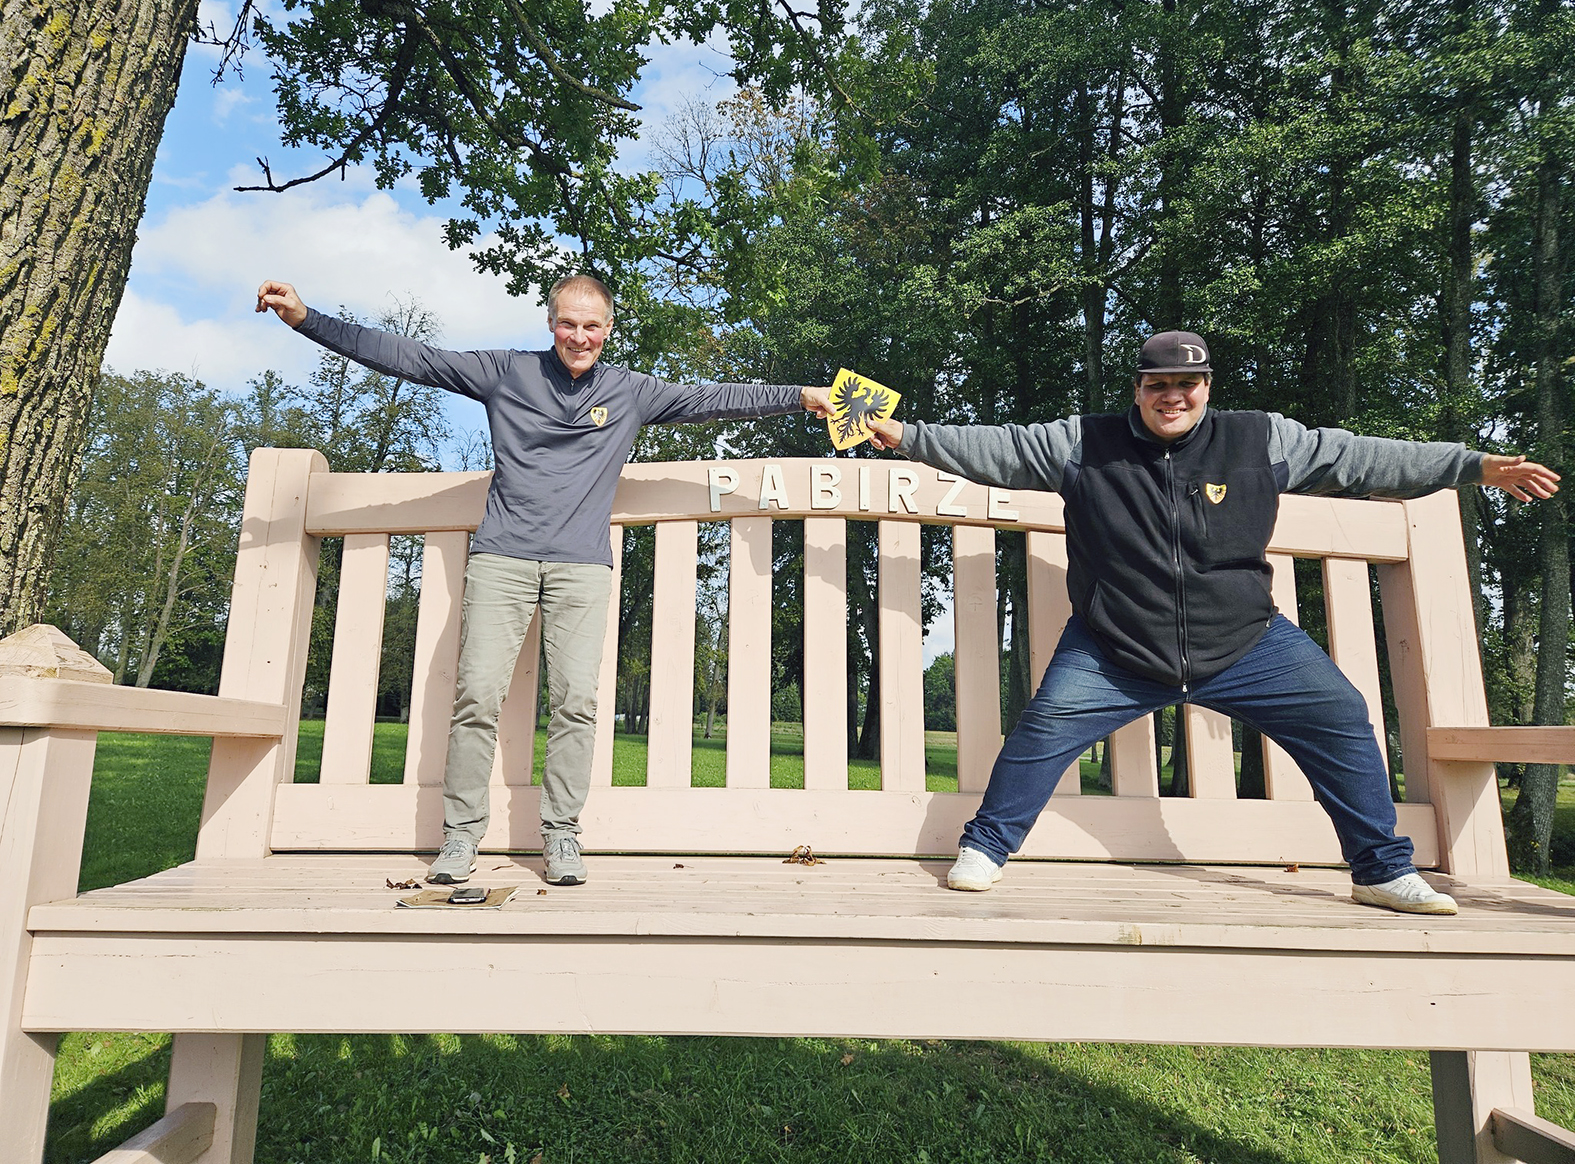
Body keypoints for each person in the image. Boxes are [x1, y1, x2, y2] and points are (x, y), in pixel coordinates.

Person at [866, 330, 1559, 915]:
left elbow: (1359, 456)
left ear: (1206, 386)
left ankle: (1379, 870)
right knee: (1041, 731)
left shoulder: (1260, 439)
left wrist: (1472, 465)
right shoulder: (1084, 443)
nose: (1172, 396)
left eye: (1187, 383)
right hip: (1113, 647)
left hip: (1248, 643)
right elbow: (995, 446)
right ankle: (986, 847)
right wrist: (903, 433)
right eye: (1157, 384)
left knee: (1341, 714)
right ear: (1137, 388)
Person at [257, 275, 834, 886]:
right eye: (568, 323)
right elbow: (410, 357)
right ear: (551, 323)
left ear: (608, 329)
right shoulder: (506, 373)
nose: (579, 337)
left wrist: (802, 396)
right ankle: (460, 837)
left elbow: (715, 398)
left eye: (592, 326)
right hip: (502, 559)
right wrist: (306, 319)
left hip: (581, 568)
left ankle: (561, 835)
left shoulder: (631, 391)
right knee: (476, 698)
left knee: (576, 705)